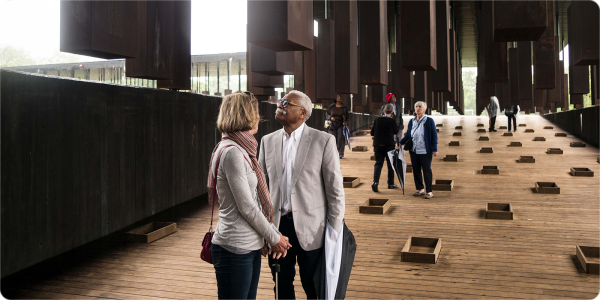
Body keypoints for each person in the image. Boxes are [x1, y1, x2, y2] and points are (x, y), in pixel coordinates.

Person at [258, 90, 346, 299]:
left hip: (313, 229)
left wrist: (334, 232)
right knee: (281, 285)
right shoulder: (267, 141)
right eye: (280, 100)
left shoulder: (323, 141)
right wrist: (263, 231)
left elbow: (335, 190)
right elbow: (259, 190)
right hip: (277, 228)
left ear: (302, 112)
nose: (280, 104)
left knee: (313, 286)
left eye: (287, 102)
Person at [208, 92, 292, 300]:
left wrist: (273, 233)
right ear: (244, 115)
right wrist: (275, 238)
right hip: (235, 248)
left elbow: (254, 200)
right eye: (255, 112)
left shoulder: (242, 149)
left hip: (249, 245)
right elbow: (247, 207)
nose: (258, 117)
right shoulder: (233, 153)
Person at [399, 101, 438, 199]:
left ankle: (429, 191)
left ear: (424, 109)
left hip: (425, 150)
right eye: (416, 106)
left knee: (426, 170)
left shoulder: (429, 121)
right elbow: (408, 135)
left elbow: (434, 136)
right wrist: (400, 142)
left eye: (420, 106)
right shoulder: (412, 121)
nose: (418, 108)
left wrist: (434, 149)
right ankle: (420, 189)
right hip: (414, 150)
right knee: (416, 170)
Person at [370, 104, 400, 192]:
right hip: (389, 145)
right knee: (390, 165)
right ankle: (390, 183)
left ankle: (375, 182)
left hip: (378, 145)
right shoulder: (392, 121)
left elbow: (372, 133)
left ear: (383, 111)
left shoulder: (377, 120)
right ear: (392, 112)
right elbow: (396, 131)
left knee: (378, 164)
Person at [326, 94, 350, 159]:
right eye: (337, 97)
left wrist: (346, 123)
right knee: (332, 139)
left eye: (340, 97)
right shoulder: (332, 106)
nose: (339, 98)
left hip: (341, 124)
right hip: (332, 124)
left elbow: (347, 117)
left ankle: (340, 154)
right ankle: (332, 153)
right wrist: (331, 117)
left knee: (340, 139)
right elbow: (327, 114)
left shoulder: (344, 107)